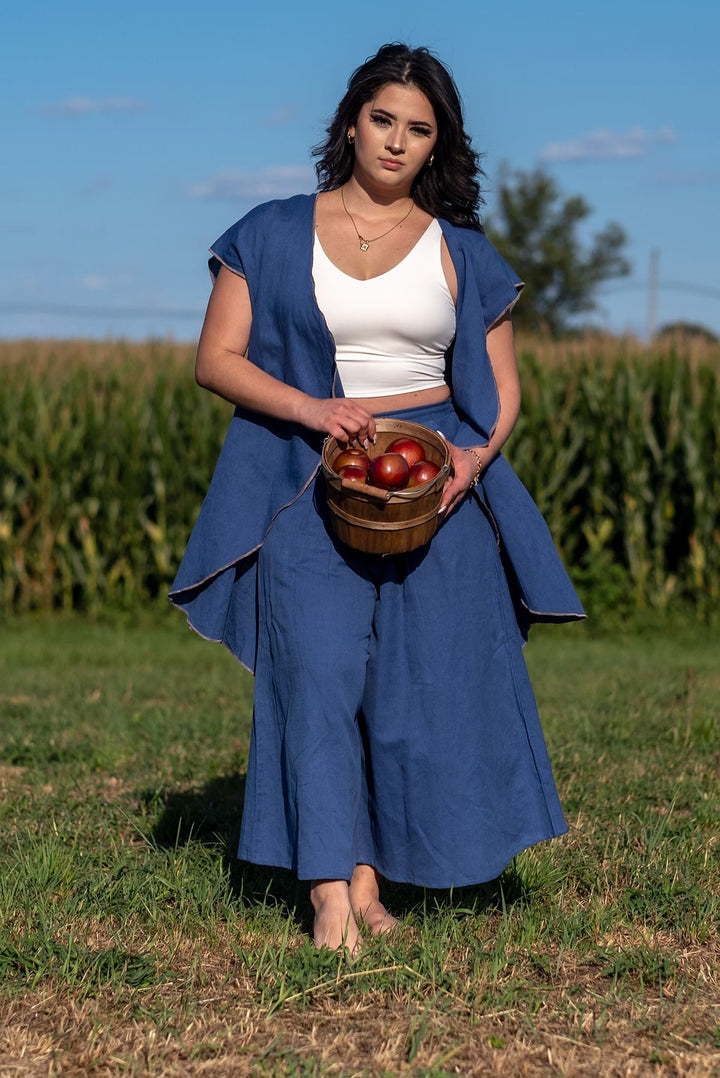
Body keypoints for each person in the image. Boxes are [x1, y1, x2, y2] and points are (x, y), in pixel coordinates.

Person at [170, 43, 585, 954]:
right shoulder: (272, 231)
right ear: (352, 121)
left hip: (433, 481)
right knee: (316, 673)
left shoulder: (461, 252)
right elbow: (217, 360)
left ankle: (370, 879)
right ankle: (326, 891)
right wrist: (314, 409)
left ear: (438, 146)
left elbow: (505, 390)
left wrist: (473, 460)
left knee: (415, 685)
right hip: (305, 471)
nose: (397, 142)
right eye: (384, 119)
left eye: (419, 130)